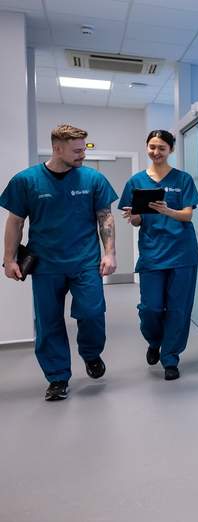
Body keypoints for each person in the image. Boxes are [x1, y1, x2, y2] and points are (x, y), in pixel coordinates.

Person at [1, 124, 118, 401]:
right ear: (57, 148)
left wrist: (110, 252)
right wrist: (8, 259)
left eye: (84, 149)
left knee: (91, 312)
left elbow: (105, 216)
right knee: (48, 322)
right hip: (46, 265)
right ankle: (57, 378)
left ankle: (90, 353)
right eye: (77, 151)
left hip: (85, 261)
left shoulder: (93, 179)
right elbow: (15, 222)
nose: (83, 155)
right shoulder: (26, 181)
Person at [119, 130, 198, 381]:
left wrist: (167, 211)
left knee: (178, 309)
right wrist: (134, 217)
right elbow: (136, 221)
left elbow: (187, 215)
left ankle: (170, 358)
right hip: (153, 252)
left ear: (171, 150)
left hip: (183, 252)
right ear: (147, 147)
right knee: (150, 308)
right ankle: (155, 341)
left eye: (162, 148)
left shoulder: (183, 179)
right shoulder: (136, 181)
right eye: (152, 147)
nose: (156, 152)